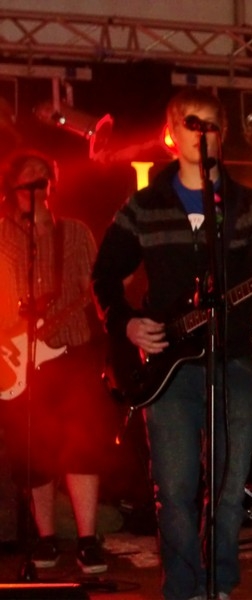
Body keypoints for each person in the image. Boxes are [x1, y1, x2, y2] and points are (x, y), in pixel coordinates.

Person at [91, 88, 252, 600]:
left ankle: (219, 585)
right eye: (190, 122)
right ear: (171, 133)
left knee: (229, 487)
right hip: (168, 369)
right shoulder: (143, 206)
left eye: (210, 124)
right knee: (176, 489)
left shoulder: (251, 206)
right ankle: (182, 589)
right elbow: (104, 277)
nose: (200, 132)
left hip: (231, 360)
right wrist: (126, 323)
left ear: (221, 135)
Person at [0, 149, 113, 574]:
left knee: (82, 446)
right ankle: (45, 539)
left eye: (42, 175)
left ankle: (87, 540)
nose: (36, 181)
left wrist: (106, 299)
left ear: (51, 186)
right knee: (34, 455)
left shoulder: (75, 232)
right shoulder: (1, 236)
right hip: (17, 360)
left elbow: (95, 288)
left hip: (72, 353)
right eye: (27, 176)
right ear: (12, 187)